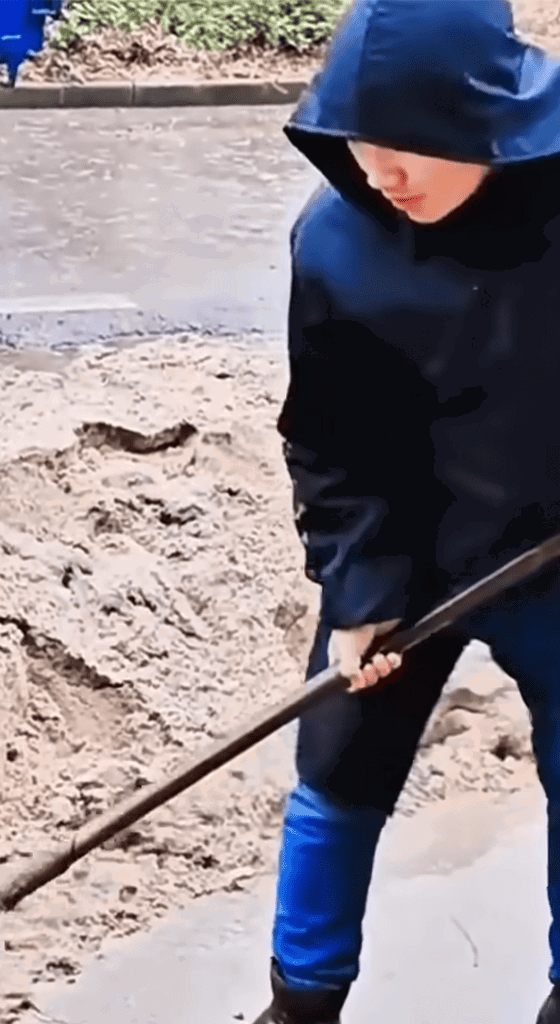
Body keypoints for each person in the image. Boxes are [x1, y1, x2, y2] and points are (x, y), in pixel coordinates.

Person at [253, 2, 560, 1022]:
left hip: (551, 558)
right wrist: (358, 591)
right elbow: (329, 440)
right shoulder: (336, 243)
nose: (379, 168)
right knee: (337, 771)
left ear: (482, 119)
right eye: (360, 138)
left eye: (406, 141)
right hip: (405, 554)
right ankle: (302, 999)